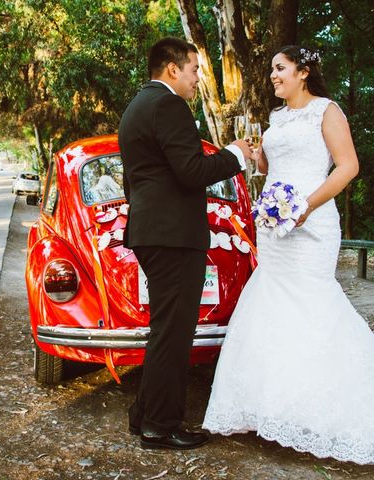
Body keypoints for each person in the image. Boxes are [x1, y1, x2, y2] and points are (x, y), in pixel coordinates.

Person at [203, 46, 373, 465]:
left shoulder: (327, 111)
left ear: (304, 71)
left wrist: (305, 206)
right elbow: (268, 168)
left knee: (311, 303)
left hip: (312, 224)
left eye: (280, 69)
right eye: (272, 70)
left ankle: (322, 411)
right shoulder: (276, 119)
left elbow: (347, 167)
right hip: (273, 228)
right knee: (271, 304)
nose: (273, 76)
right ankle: (272, 410)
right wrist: (256, 157)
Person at [118, 37, 251, 450]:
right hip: (172, 237)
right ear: (172, 69)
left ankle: (145, 416)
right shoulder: (169, 105)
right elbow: (191, 172)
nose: (197, 79)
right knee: (174, 333)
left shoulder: (138, 107)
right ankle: (161, 424)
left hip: (153, 232)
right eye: (194, 70)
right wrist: (235, 154)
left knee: (166, 330)